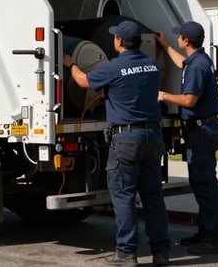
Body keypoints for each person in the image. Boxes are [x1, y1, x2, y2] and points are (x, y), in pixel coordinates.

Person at [65, 20, 170, 266]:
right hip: (153, 137)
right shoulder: (151, 65)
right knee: (153, 198)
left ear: (119, 41)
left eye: (115, 37)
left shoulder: (113, 68)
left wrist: (70, 64)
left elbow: (83, 81)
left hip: (126, 140)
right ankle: (161, 252)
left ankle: (126, 253)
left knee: (123, 197)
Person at [156, 21, 218, 255]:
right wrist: (165, 45)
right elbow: (181, 62)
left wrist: (163, 95)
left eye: (179, 37)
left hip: (202, 131)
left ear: (186, 40)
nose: (178, 38)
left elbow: (189, 101)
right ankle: (206, 232)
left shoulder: (197, 66)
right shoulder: (198, 60)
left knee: (206, 186)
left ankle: (215, 238)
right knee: (202, 185)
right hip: (202, 129)